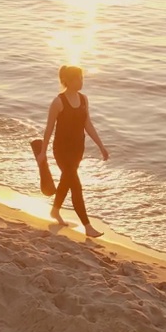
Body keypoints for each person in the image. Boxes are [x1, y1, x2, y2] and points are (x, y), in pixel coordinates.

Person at [37, 65, 109, 238]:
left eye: (82, 78)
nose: (81, 81)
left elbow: (87, 124)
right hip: (61, 151)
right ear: (68, 81)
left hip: (78, 150)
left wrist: (101, 146)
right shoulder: (58, 102)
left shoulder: (84, 99)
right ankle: (87, 226)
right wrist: (43, 152)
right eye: (78, 78)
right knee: (76, 186)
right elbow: (49, 129)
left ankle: (55, 211)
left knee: (66, 180)